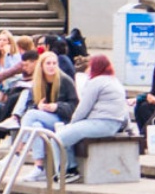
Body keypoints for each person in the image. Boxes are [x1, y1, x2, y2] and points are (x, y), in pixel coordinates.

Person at [23, 56, 128, 184]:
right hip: (113, 123)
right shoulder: (114, 81)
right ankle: (69, 167)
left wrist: (72, 123)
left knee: (58, 138)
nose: (88, 70)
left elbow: (83, 107)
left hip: (100, 122)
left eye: (90, 66)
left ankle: (66, 171)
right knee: (67, 133)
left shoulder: (96, 82)